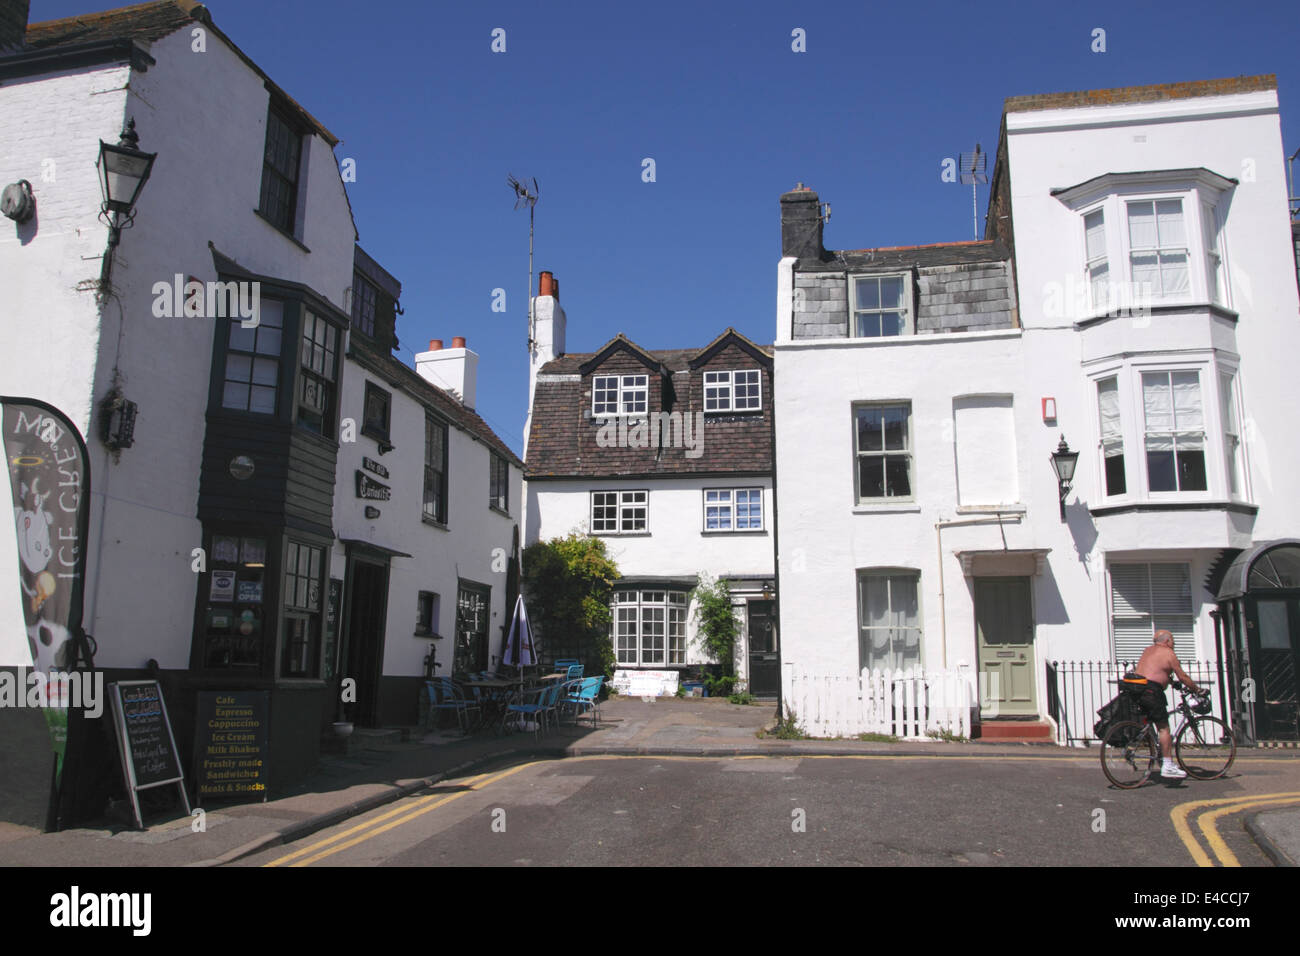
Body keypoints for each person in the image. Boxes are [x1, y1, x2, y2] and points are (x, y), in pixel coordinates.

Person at [1133, 629, 1203, 779]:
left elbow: (1156, 670)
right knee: (1164, 727)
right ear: (1166, 641)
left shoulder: (1148, 651)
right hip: (1152, 691)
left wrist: (1171, 682)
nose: (1174, 644)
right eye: (1173, 641)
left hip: (1139, 689)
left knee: (1152, 722)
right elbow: (1183, 676)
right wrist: (1197, 689)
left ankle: (1155, 749)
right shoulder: (1168, 653)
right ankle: (1168, 765)